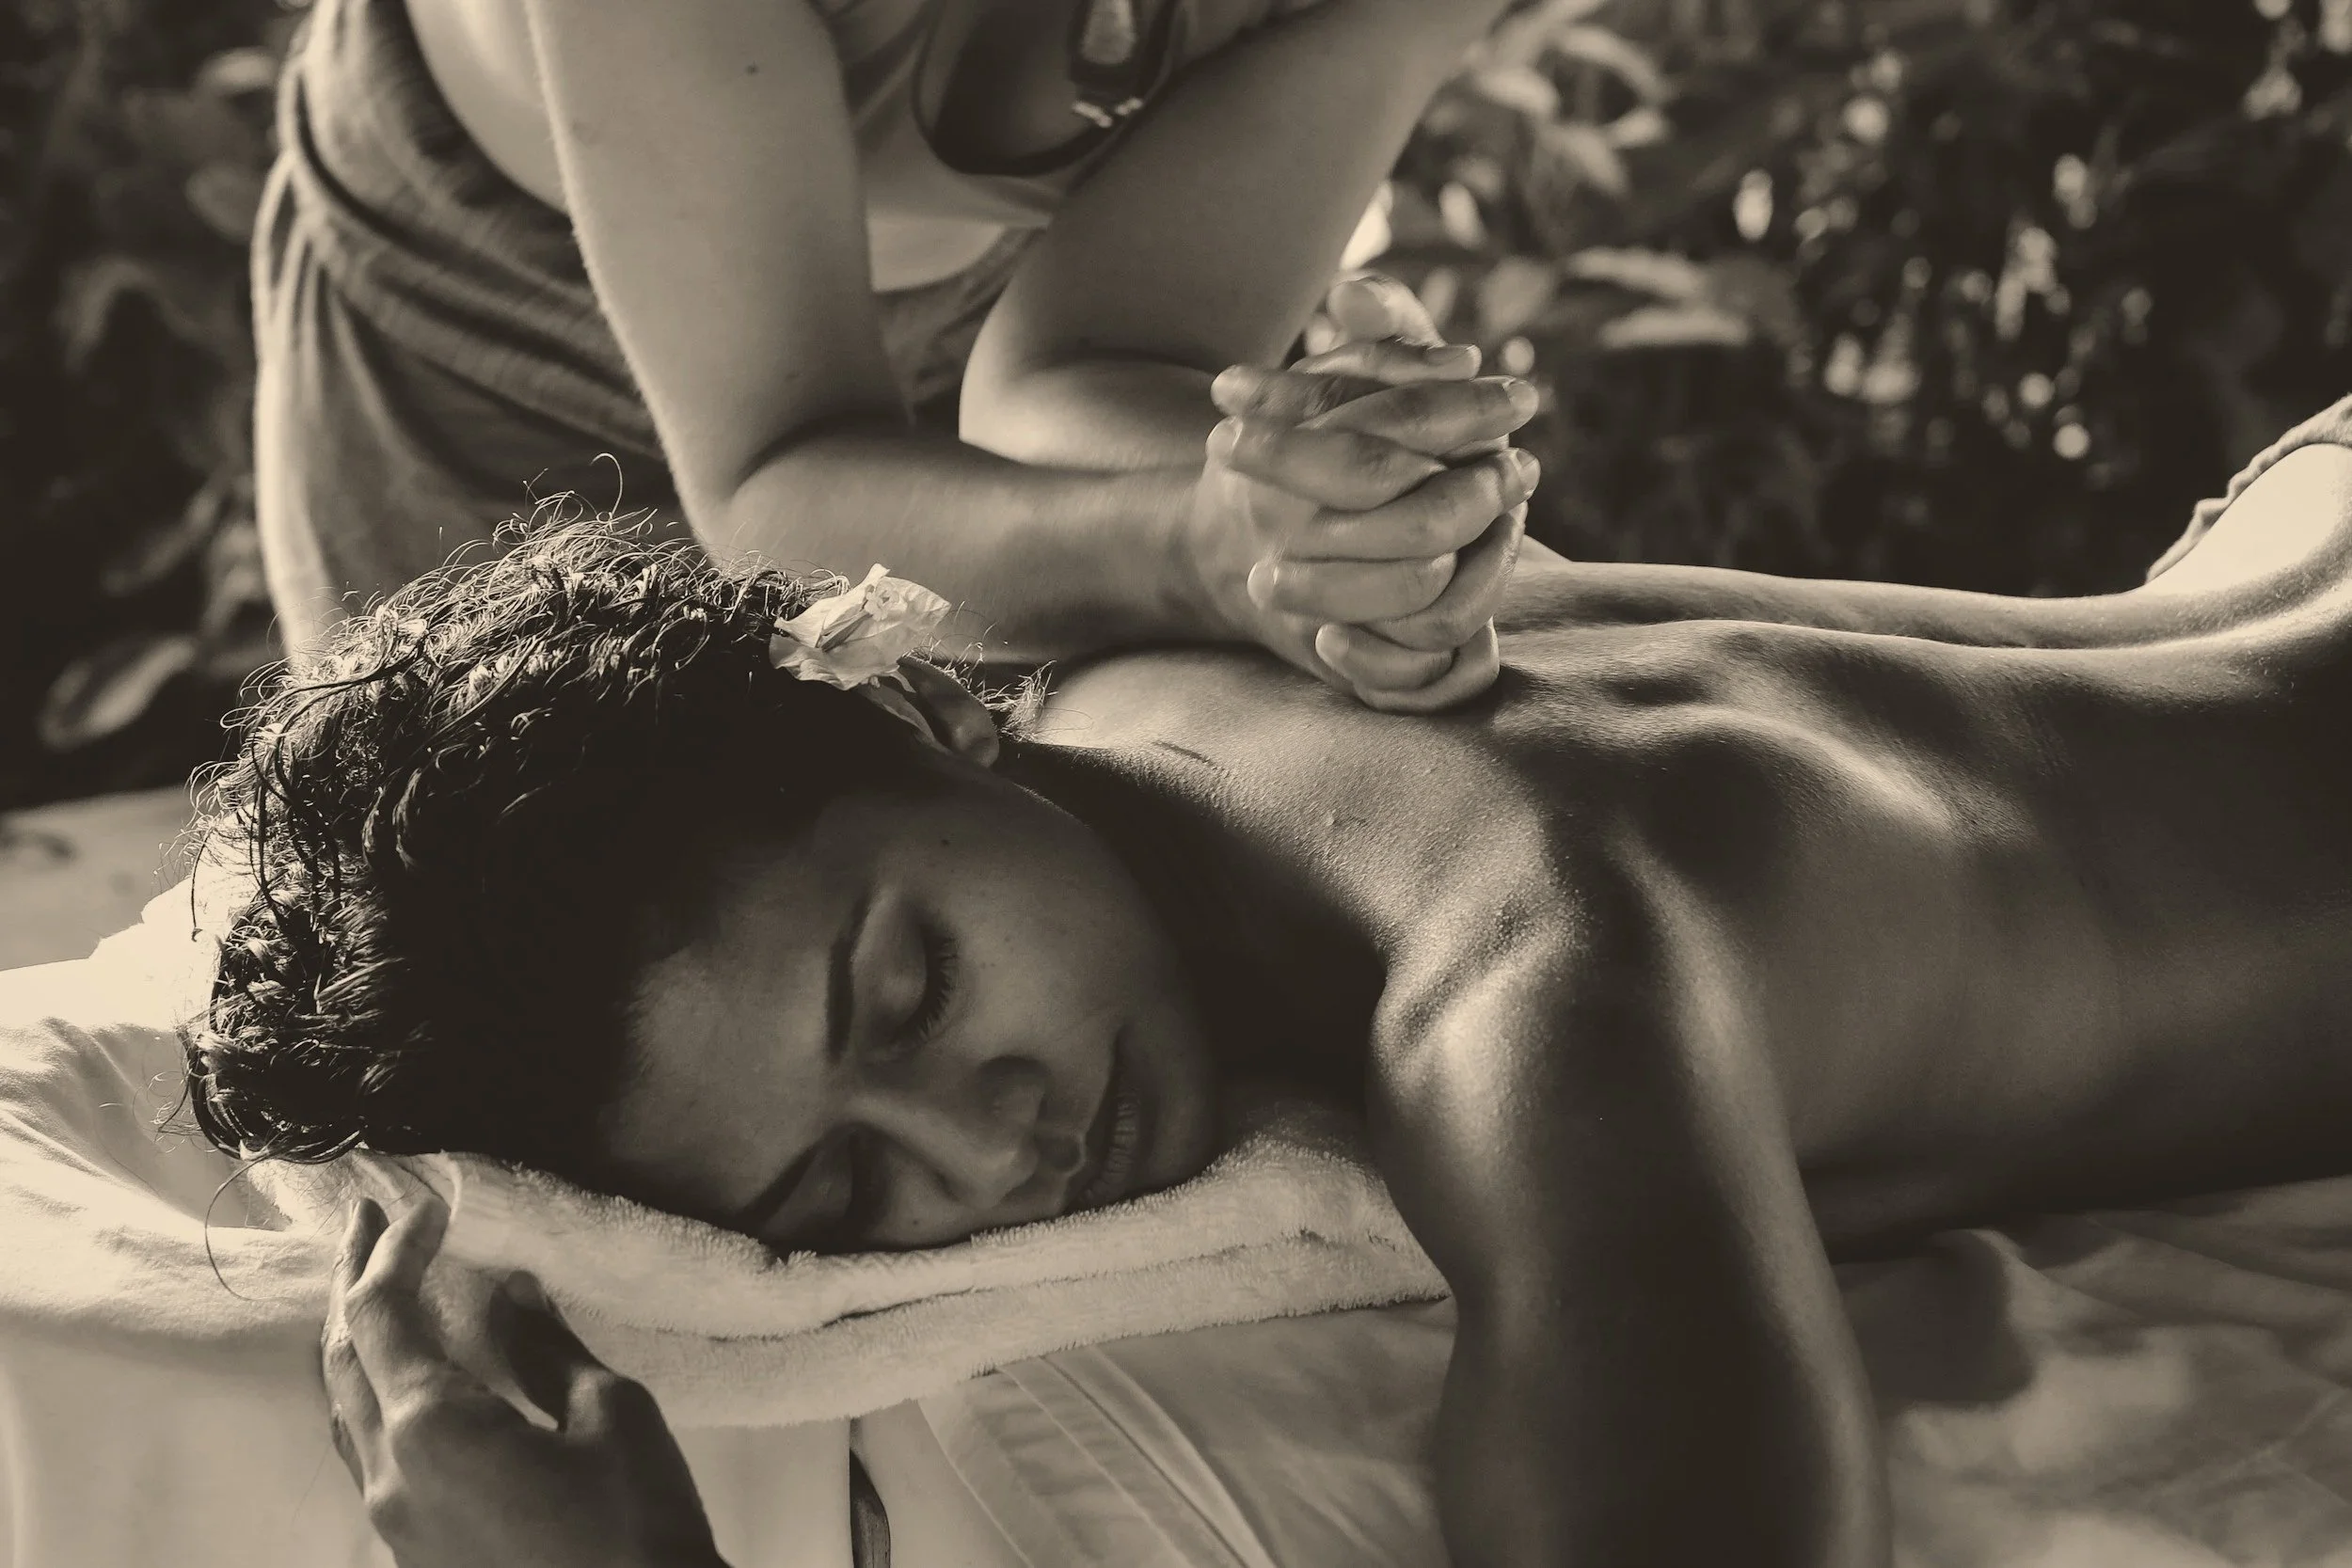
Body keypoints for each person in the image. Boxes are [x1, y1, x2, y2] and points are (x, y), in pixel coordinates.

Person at [187, 389, 2352, 1567]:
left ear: (928, 707)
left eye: (909, 990)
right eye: (839, 1191)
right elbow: (1079, 347)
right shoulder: (1142, 658)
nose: (989, 1146)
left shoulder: (1537, 988)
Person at [253, 0, 1536, 709]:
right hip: (483, 323)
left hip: (960, 298)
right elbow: (779, 476)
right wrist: (1188, 547)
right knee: (503, 910)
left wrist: (1315, 509)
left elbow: (1109, 362)